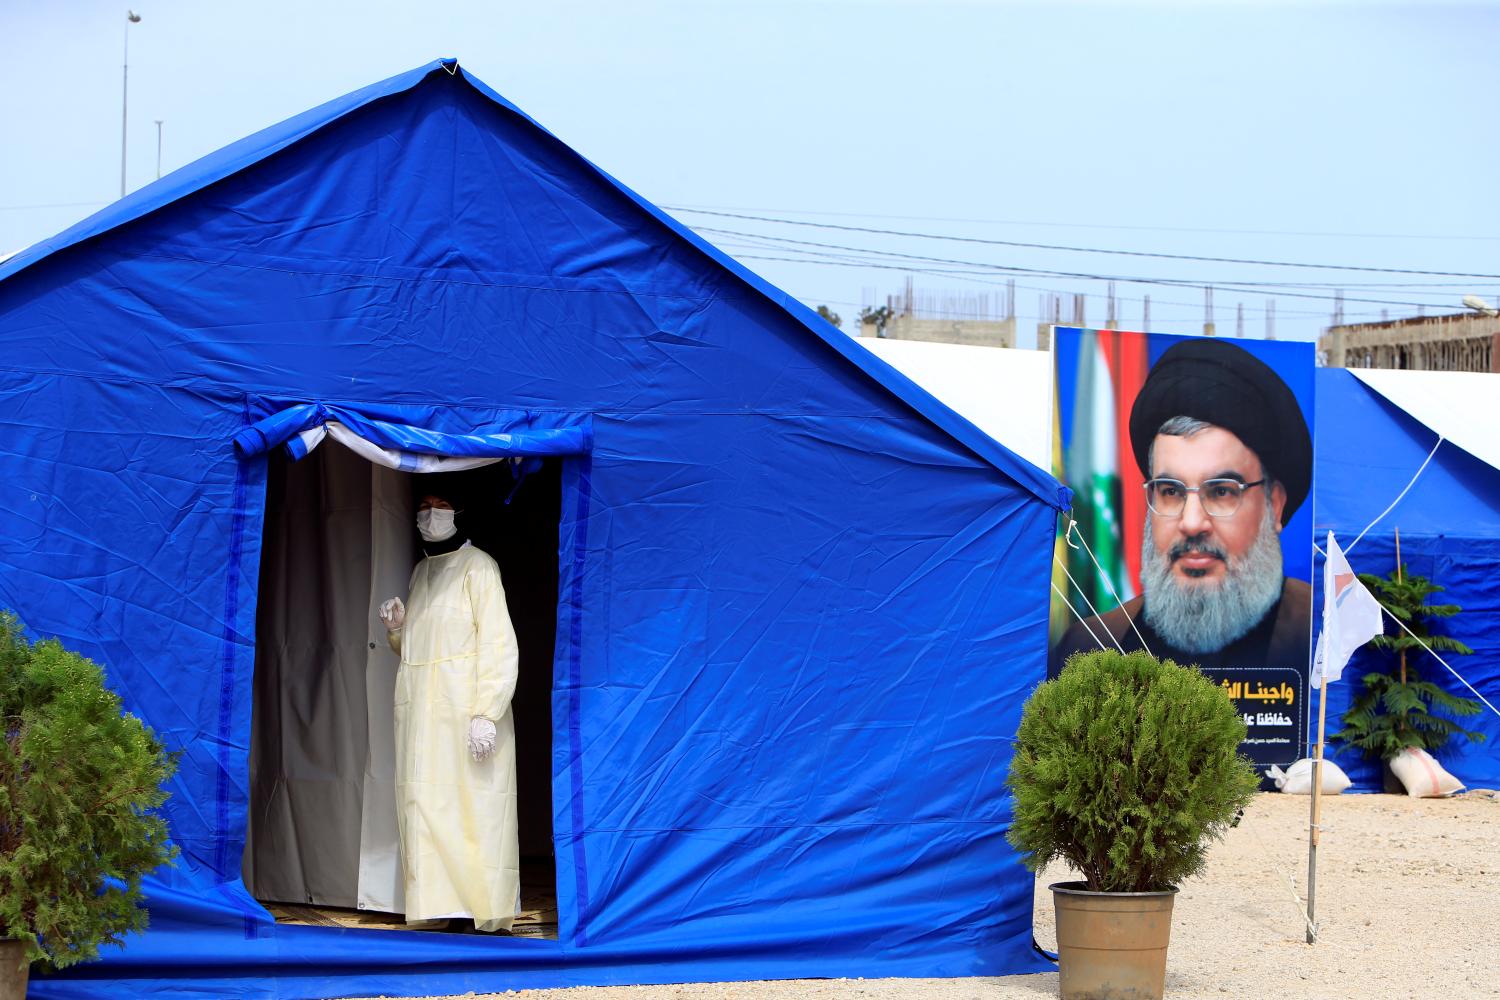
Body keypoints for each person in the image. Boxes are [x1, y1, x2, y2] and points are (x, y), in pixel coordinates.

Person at [1051, 338, 1312, 674]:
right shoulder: (1090, 647)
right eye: (1171, 492)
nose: (1191, 523)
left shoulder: (1318, 638)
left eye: (1221, 492)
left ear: (1273, 505)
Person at [378, 485, 520, 932]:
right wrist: (399, 631)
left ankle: (477, 906)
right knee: (425, 804)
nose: (430, 513)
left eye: (440, 506)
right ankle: (438, 905)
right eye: (423, 506)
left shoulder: (478, 567)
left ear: (460, 511)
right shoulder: (421, 572)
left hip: (465, 711)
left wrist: (487, 711)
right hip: (423, 714)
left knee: (471, 806)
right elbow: (422, 648)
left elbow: (498, 641)